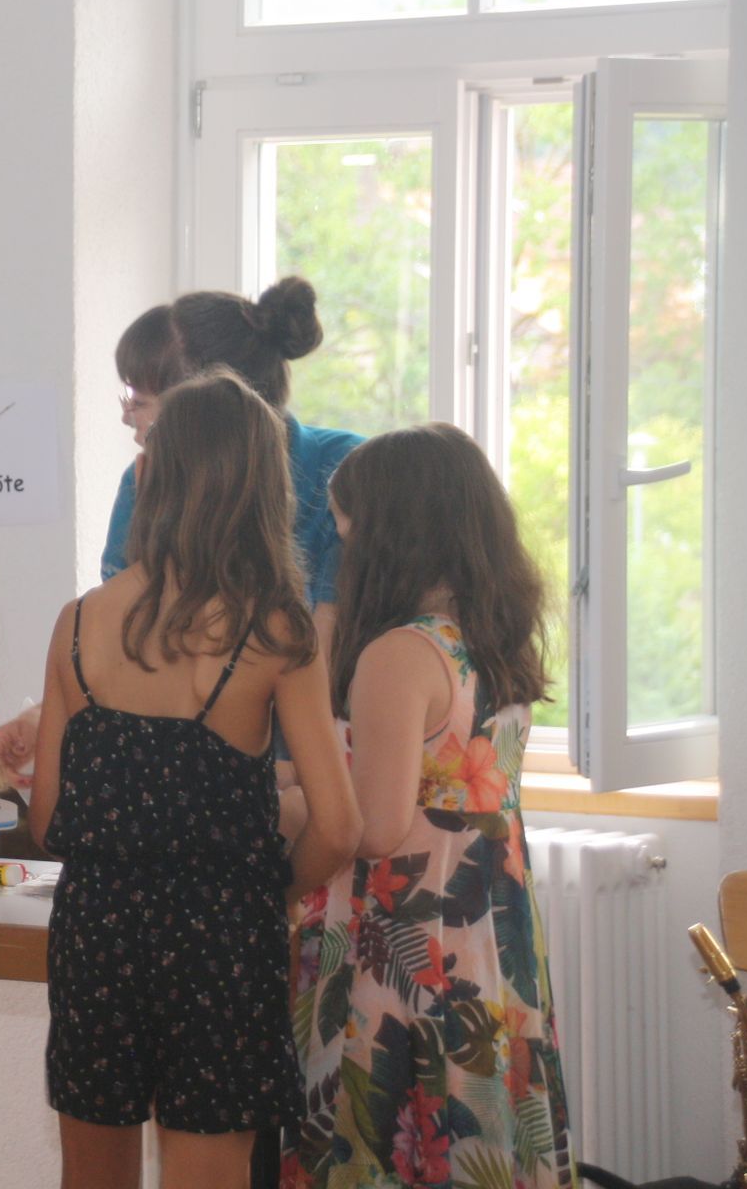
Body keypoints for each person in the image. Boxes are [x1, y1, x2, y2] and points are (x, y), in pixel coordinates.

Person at [28, 371, 362, 1189]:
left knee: (91, 1177)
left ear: (151, 477)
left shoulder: (79, 623)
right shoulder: (275, 630)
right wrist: (275, 887)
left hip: (99, 933)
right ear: (266, 490)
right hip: (222, 938)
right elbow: (340, 825)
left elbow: (47, 822)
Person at [280, 424, 574, 1188]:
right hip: (485, 940)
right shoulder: (488, 642)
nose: (342, 557)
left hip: (404, 955)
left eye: (347, 533)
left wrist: (280, 809)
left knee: (393, 1144)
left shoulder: (400, 655)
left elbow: (374, 825)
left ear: (390, 536)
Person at [0, 277, 357, 778]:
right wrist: (46, 719)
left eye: (138, 400)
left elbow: (325, 671)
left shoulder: (346, 476)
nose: (128, 419)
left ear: (205, 407)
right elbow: (125, 650)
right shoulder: (139, 485)